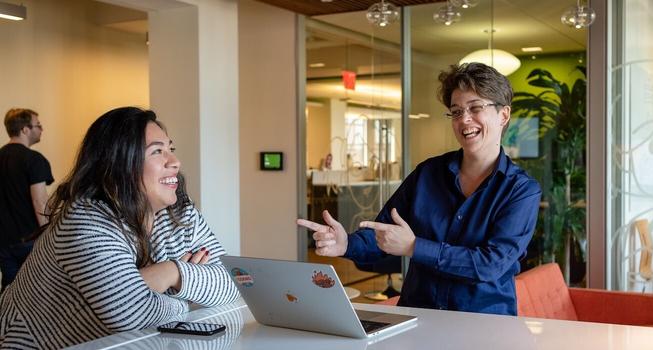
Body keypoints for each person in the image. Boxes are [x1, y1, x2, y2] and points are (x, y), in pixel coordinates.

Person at [298, 62, 542, 316]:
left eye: (475, 108)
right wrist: (346, 243)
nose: (464, 119)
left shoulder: (521, 191)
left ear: (504, 115)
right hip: (418, 317)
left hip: (483, 326)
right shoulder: (427, 174)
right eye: (456, 112)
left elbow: (490, 265)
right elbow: (383, 232)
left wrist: (415, 247)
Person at [0, 107, 239, 348]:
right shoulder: (86, 220)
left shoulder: (180, 214)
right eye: (157, 151)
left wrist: (171, 273)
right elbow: (130, 312)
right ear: (119, 163)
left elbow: (234, 286)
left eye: (171, 149)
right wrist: (189, 297)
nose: (175, 162)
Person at [0, 108, 54, 290]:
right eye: (38, 125)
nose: (42, 129)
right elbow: (40, 202)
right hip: (29, 241)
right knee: (36, 292)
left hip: (3, 242)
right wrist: (49, 238)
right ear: (25, 129)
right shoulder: (34, 159)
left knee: (9, 290)